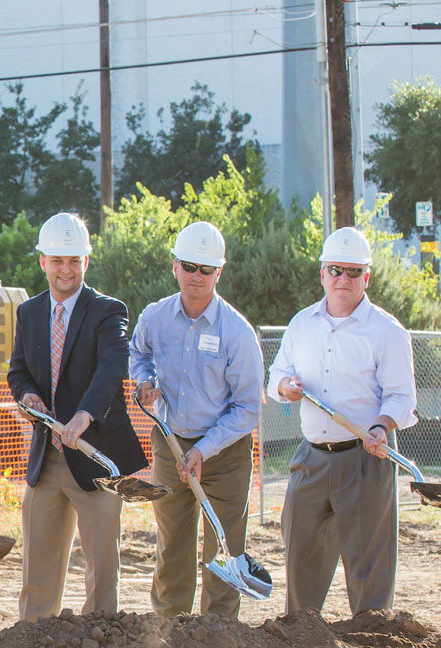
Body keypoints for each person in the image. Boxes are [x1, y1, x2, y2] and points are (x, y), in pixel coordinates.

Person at [268, 226, 416, 615]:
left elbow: (402, 397)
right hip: (311, 458)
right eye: (336, 269)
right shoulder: (302, 324)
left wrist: (382, 426)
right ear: (322, 273)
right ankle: (300, 644)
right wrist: (285, 386)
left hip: (366, 460)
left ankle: (371, 644)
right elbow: (275, 376)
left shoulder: (388, 332)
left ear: (366, 277)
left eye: (353, 272)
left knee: (369, 567)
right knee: (301, 557)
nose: (343, 279)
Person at [8, 212, 145, 622]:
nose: (65, 269)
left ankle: (100, 644)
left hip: (95, 455)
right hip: (46, 458)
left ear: (86, 261)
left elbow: (111, 368)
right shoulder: (29, 313)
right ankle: (34, 640)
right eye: (57, 260)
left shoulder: (108, 310)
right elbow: (18, 370)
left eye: (73, 260)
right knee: (38, 567)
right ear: (43, 262)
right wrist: (27, 394)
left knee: (102, 569)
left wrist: (84, 416)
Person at [129, 222, 264, 618]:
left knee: (224, 549)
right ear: (175, 267)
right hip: (170, 446)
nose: (197, 277)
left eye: (206, 269)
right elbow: (138, 353)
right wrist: (144, 381)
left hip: (225, 452)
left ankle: (218, 640)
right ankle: (167, 636)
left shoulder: (237, 332)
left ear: (219, 272)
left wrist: (204, 449)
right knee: (172, 545)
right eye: (190, 266)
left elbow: (247, 408)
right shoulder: (155, 317)